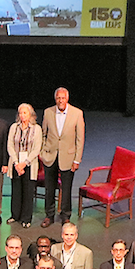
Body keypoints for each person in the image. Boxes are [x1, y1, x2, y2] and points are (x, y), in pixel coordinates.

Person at [40, 87, 84, 227]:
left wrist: (77, 159)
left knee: (66, 188)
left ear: (67, 99)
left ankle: (65, 215)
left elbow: (80, 139)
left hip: (68, 158)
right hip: (50, 156)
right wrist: (42, 152)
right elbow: (43, 134)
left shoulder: (77, 113)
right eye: (58, 98)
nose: (60, 100)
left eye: (63, 98)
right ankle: (49, 215)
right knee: (49, 188)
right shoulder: (48, 112)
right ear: (55, 99)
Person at [6, 102, 42, 227]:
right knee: (16, 191)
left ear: (30, 114)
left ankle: (26, 219)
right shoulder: (14, 127)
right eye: (20, 113)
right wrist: (16, 163)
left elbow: (36, 149)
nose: (22, 115)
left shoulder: (36, 129)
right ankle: (15, 215)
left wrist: (24, 164)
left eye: (25, 113)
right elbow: (10, 145)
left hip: (29, 165)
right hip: (16, 164)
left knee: (28, 191)